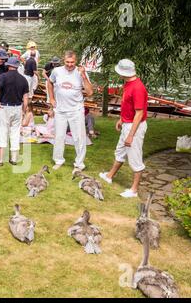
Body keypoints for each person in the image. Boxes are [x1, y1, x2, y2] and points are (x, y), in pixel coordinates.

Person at [99, 59, 148, 198]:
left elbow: (139, 113)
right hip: (127, 123)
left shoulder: (138, 88)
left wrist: (131, 135)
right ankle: (109, 176)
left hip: (135, 127)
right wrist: (121, 119)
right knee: (120, 151)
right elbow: (128, 105)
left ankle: (133, 190)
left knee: (135, 158)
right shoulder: (128, 84)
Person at [47, 50, 93, 172]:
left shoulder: (80, 72)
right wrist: (51, 98)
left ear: (76, 61)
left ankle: (79, 164)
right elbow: (50, 82)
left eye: (72, 62)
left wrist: (83, 75)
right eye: (67, 62)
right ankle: (58, 160)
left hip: (76, 110)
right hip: (60, 110)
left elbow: (89, 92)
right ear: (64, 60)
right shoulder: (57, 71)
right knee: (59, 136)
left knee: (79, 138)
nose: (69, 64)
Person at [0, 57, 29, 166]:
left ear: (8, 65)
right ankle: (14, 159)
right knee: (15, 133)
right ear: (17, 66)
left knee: (1, 132)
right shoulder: (23, 79)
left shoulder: (3, 76)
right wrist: (23, 110)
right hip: (17, 107)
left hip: (4, 107)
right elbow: (26, 99)